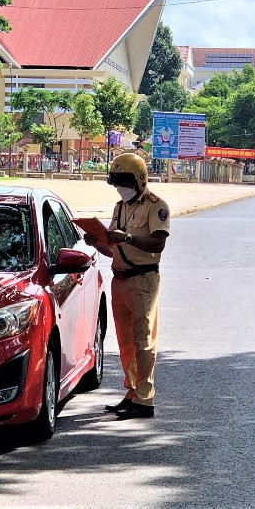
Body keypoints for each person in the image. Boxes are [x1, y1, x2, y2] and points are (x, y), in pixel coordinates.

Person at [83, 153, 170, 420]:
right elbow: (115, 250)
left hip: (143, 280)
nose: (120, 186)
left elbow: (158, 244)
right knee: (125, 342)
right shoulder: (119, 208)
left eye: (125, 180)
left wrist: (129, 237)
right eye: (117, 181)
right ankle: (132, 392)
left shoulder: (156, 206)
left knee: (143, 341)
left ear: (140, 179)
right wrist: (97, 243)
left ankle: (145, 400)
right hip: (120, 280)